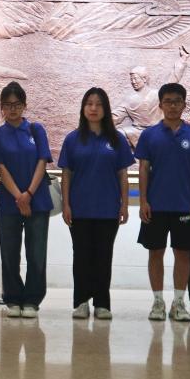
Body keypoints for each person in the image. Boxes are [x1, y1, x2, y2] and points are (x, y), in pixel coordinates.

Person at [135, 82, 190, 323]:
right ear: (160, 105)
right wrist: (143, 201)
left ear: (184, 105)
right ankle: (158, 302)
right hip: (155, 206)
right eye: (168, 101)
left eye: (177, 102)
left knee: (183, 254)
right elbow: (143, 170)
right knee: (155, 253)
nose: (172, 106)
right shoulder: (149, 135)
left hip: (185, 206)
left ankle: (179, 303)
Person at [58, 87, 134, 320]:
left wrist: (124, 205)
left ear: (106, 109)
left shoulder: (116, 139)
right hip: (79, 209)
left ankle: (102, 304)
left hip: (108, 209)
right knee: (81, 256)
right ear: (83, 108)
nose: (93, 108)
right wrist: (66, 204)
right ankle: (81, 302)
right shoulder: (73, 139)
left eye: (99, 104)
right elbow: (67, 174)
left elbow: (122, 174)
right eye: (89, 104)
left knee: (103, 256)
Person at [0, 82, 54, 319]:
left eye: (17, 104)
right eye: (7, 105)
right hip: (9, 203)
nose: (12, 109)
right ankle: (13, 298)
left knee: (36, 253)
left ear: (24, 105)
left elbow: (42, 162)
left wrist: (29, 194)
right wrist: (19, 196)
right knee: (9, 253)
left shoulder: (36, 130)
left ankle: (32, 300)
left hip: (38, 201)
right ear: (2, 108)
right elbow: (1, 168)